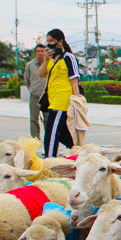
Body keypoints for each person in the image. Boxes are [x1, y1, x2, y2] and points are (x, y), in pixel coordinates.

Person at [38, 29, 82, 157]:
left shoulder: (69, 57)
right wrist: (46, 59)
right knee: (61, 132)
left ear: (60, 41)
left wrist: (77, 101)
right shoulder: (51, 58)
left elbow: (74, 81)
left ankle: (49, 158)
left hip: (62, 99)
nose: (49, 44)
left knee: (51, 132)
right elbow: (41, 74)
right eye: (48, 41)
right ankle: (78, 151)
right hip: (52, 98)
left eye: (51, 41)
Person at [24, 44, 48, 139]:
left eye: (42, 51)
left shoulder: (49, 64)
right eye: (38, 51)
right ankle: (35, 138)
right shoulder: (29, 65)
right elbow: (27, 80)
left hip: (47, 96)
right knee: (34, 119)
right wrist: (32, 89)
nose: (40, 53)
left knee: (47, 119)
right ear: (35, 53)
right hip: (34, 95)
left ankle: (48, 138)